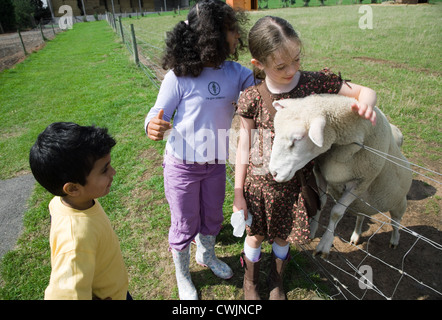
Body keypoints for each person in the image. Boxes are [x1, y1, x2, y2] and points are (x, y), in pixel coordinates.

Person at [233, 16, 377, 300]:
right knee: (255, 235)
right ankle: (250, 283)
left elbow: (365, 91)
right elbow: (243, 145)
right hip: (258, 185)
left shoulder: (313, 83)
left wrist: (366, 105)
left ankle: (276, 281)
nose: (292, 70)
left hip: (295, 183)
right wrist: (238, 192)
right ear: (258, 64)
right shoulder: (252, 97)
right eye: (281, 66)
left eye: (296, 59)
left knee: (282, 235)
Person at [144, 0, 255, 300]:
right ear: (212, 36)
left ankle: (206, 255)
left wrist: (266, 72)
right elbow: (155, 115)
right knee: (184, 222)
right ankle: (183, 275)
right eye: (231, 30)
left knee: (211, 218)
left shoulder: (237, 73)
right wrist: (152, 126)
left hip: (216, 164)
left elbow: (260, 92)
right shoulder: (178, 76)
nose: (237, 37)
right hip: (182, 166)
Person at [29, 122, 130, 300]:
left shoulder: (63, 202)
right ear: (73, 189)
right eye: (105, 169)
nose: (113, 172)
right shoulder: (75, 240)